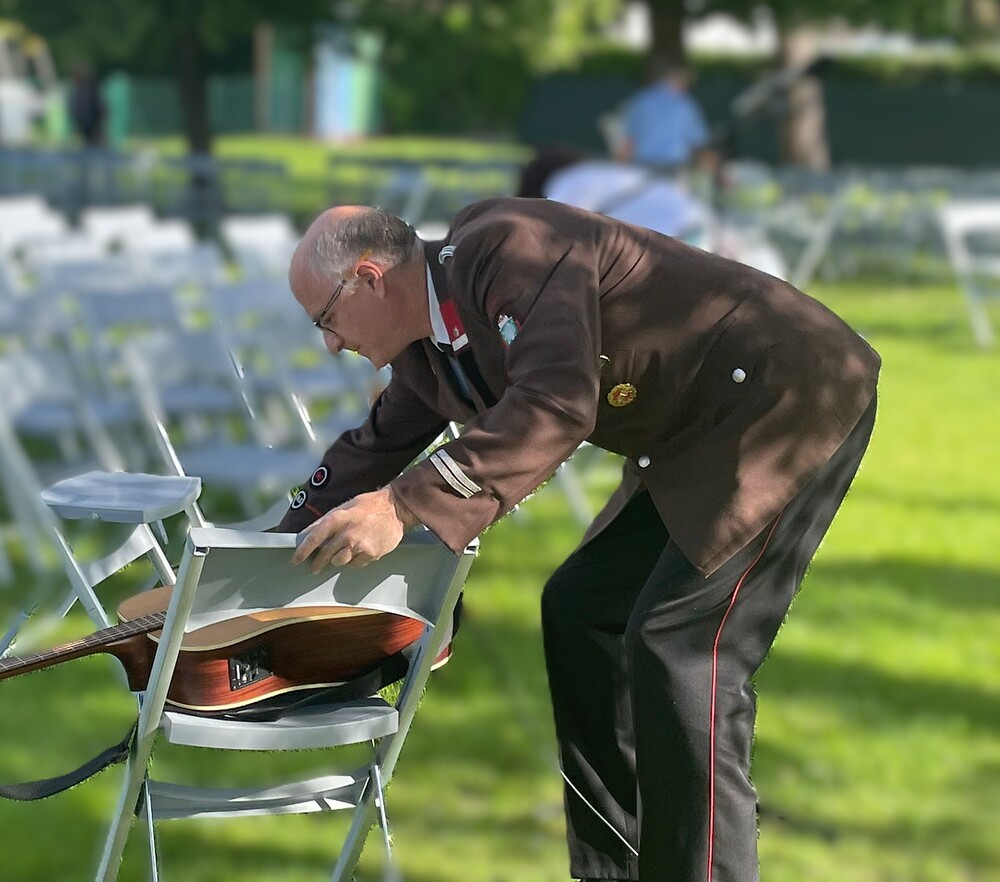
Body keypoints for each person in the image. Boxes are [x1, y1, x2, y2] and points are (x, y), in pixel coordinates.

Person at [279, 198, 880, 882]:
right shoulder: (431, 343)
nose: (330, 344)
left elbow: (556, 403)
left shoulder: (509, 248)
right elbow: (370, 451)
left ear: (368, 278)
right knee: (581, 609)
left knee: (680, 648)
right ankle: (613, 868)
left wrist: (403, 505)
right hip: (694, 431)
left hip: (785, 394)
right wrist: (259, 558)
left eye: (326, 318)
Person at [614, 56, 716, 174]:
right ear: (681, 76)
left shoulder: (639, 100)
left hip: (642, 167)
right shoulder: (687, 105)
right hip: (674, 169)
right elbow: (700, 145)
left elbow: (628, 142)